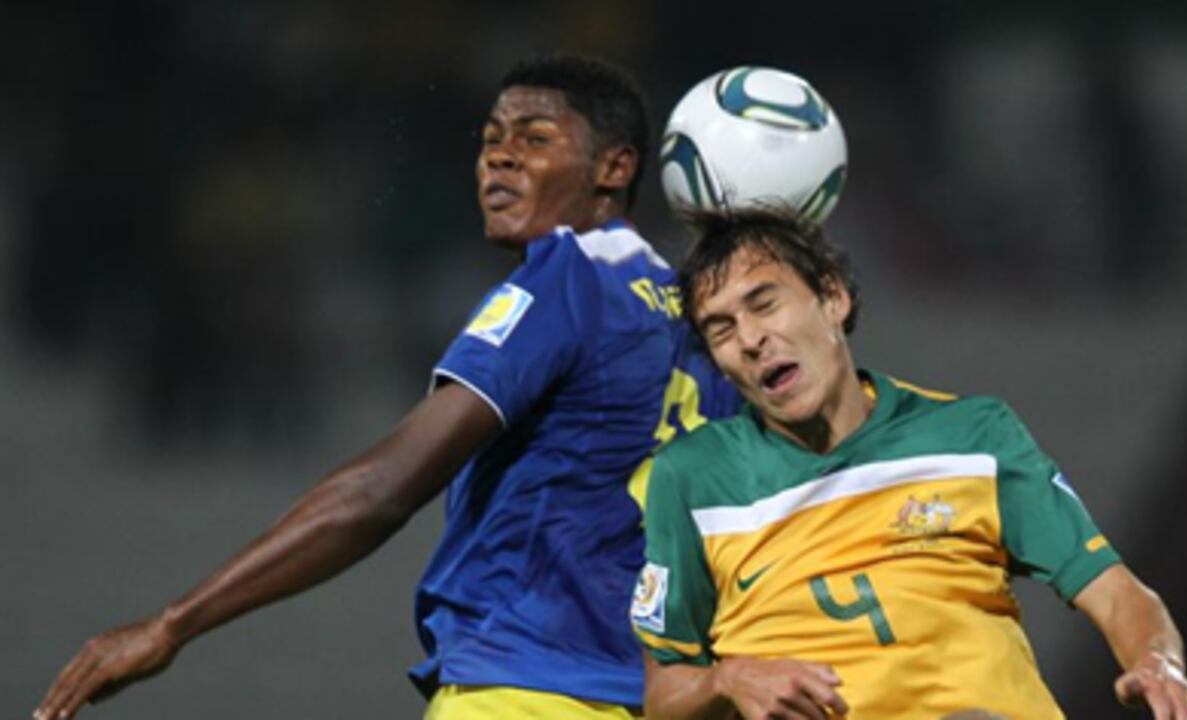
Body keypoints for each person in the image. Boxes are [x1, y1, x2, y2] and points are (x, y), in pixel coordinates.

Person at [35, 53, 738, 720]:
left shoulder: (567, 279)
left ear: (615, 167)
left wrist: (172, 625)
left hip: (525, 690)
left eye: (536, 138)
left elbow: (383, 490)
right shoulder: (700, 326)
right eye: (491, 138)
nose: (499, 155)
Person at [632, 209, 1187, 720]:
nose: (752, 338)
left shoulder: (972, 436)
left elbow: (1117, 595)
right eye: (722, 329)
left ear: (833, 297)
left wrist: (1159, 665)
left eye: (765, 304)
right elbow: (666, 697)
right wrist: (727, 679)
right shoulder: (693, 475)